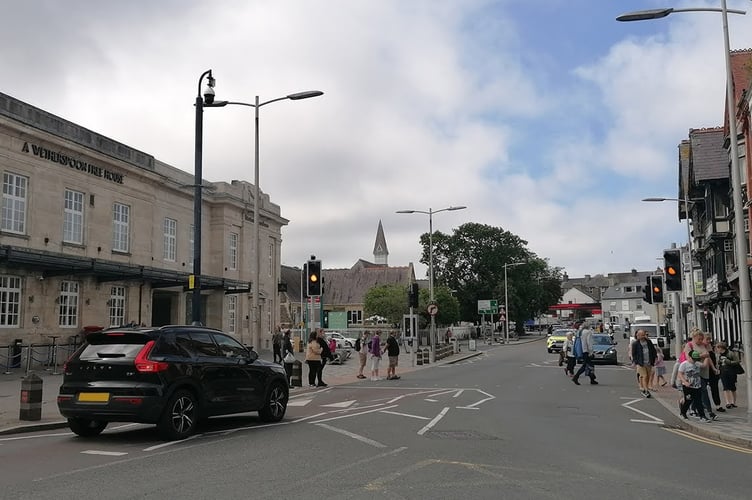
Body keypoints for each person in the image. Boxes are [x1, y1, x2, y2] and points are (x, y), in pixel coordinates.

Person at [677, 350, 711, 423]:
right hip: (688, 387)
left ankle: (702, 416)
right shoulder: (684, 364)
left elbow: (704, 365)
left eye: (696, 359)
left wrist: (707, 357)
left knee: (698, 401)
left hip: (697, 386)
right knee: (688, 400)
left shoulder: (697, 364)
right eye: (693, 359)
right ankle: (683, 413)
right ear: (689, 357)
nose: (694, 361)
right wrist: (685, 382)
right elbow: (680, 374)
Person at [631, 328, 657, 398]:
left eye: (643, 335)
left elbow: (653, 351)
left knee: (648, 376)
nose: (643, 336)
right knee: (644, 376)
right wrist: (635, 362)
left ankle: (646, 387)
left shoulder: (649, 342)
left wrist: (655, 358)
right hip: (640, 363)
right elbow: (634, 354)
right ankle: (646, 390)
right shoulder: (635, 344)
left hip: (648, 362)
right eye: (641, 335)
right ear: (638, 336)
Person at [716, 341, 741, 409]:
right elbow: (718, 364)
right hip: (723, 372)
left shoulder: (730, 353)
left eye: (717, 348)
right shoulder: (719, 355)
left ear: (721, 348)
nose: (717, 350)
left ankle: (733, 402)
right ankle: (728, 403)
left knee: (732, 387)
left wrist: (729, 362)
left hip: (731, 372)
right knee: (725, 387)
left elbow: (738, 361)